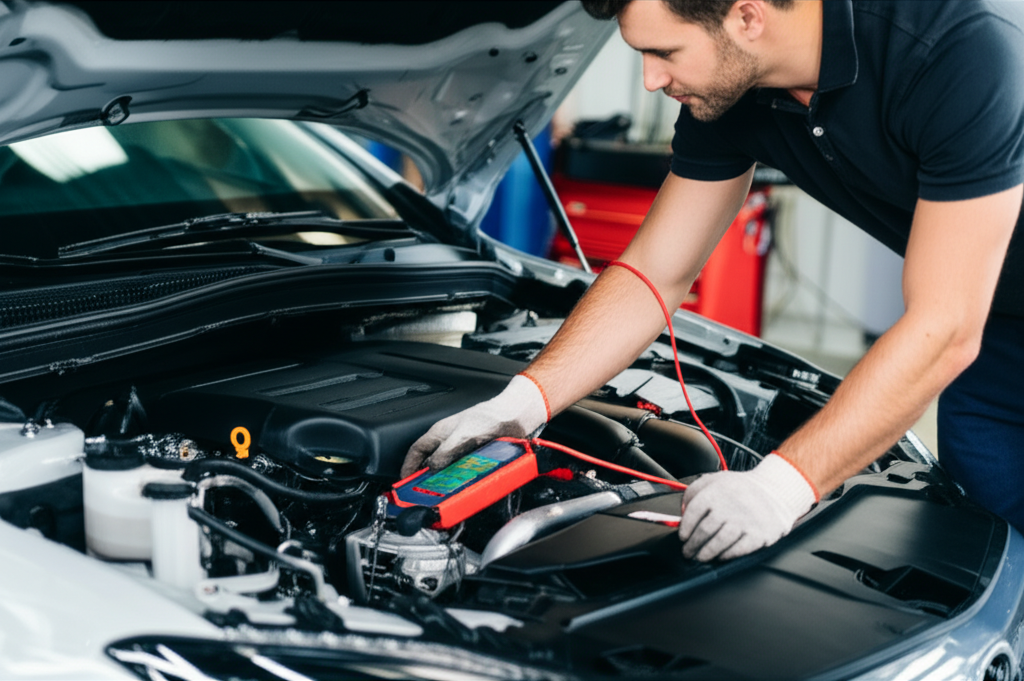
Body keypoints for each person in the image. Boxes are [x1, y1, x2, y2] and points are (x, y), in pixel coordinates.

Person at [402, 0, 1024, 562]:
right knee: (997, 548)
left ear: (748, 19)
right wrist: (522, 403)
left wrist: (782, 486)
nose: (651, 79)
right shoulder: (732, 88)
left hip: (970, 322)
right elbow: (655, 271)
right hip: (998, 333)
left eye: (663, 52)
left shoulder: (955, 51)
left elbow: (943, 323)